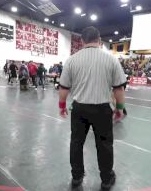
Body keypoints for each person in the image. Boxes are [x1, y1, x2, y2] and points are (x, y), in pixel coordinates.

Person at [58, 26, 126, 190]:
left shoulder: (72, 60)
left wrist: (62, 106)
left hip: (79, 109)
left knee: (76, 143)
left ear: (82, 41)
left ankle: (76, 177)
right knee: (104, 146)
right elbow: (118, 88)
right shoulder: (111, 59)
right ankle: (106, 179)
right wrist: (119, 108)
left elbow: (64, 87)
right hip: (103, 110)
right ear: (99, 40)